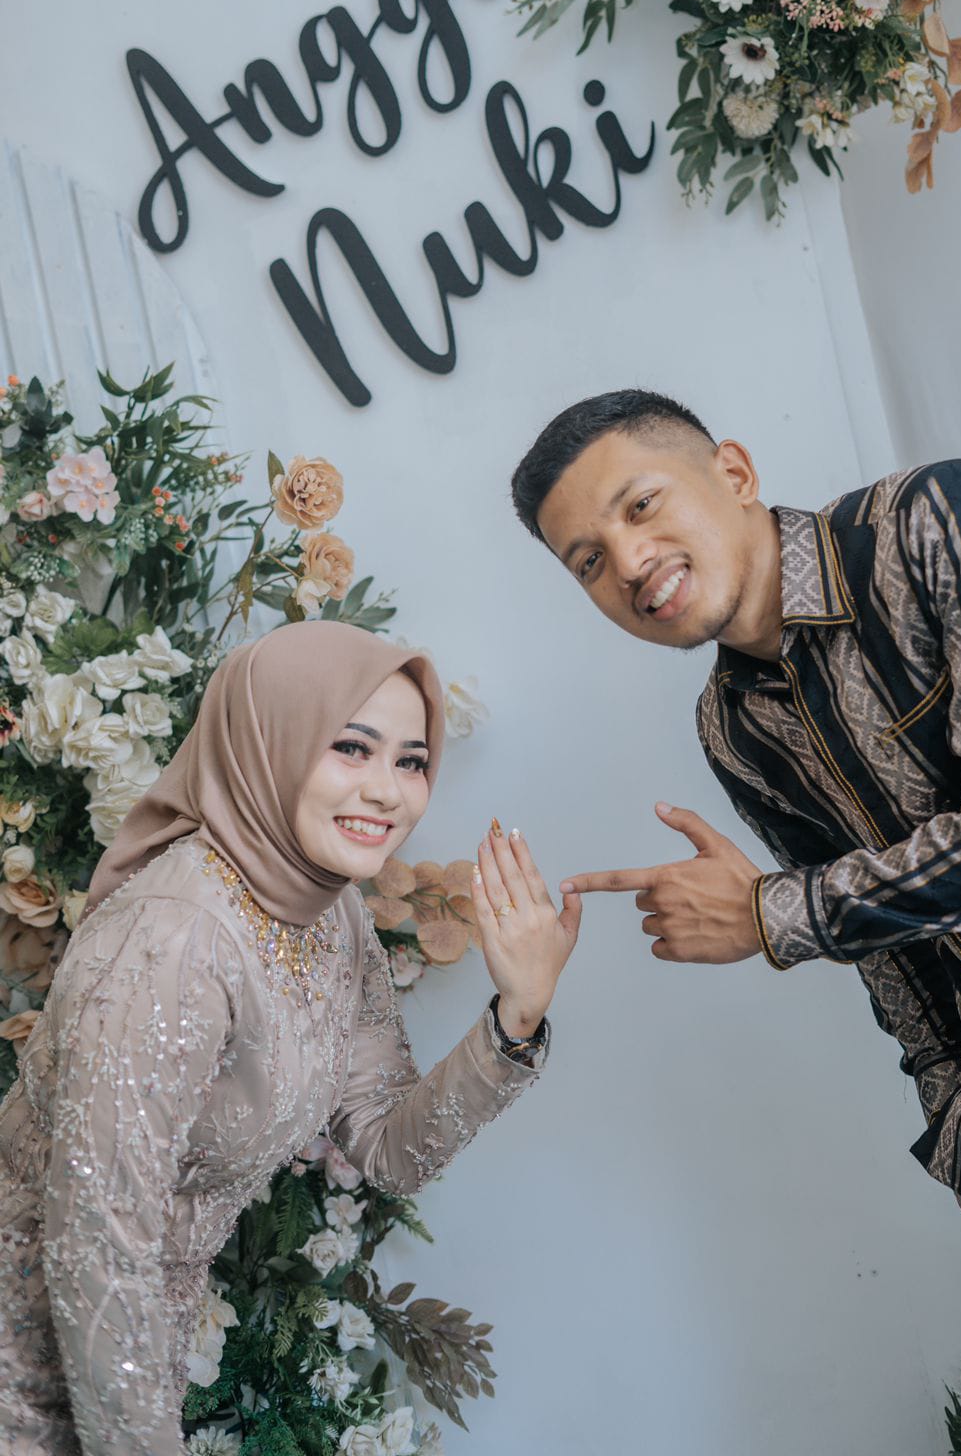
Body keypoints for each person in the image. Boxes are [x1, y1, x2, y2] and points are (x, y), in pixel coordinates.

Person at [511, 389, 961, 1456]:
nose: (628, 563)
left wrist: (773, 915)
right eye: (587, 560)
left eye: (639, 506)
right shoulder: (731, 726)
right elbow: (896, 968)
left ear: (734, 471)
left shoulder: (937, 521)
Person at [0, 620, 580, 1455]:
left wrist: (517, 1014)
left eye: (411, 761)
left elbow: (386, 1148)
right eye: (352, 747)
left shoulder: (332, 915)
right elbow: (97, 1246)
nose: (389, 793)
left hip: (131, 1364)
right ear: (268, 741)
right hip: (33, 1369)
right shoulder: (175, 938)